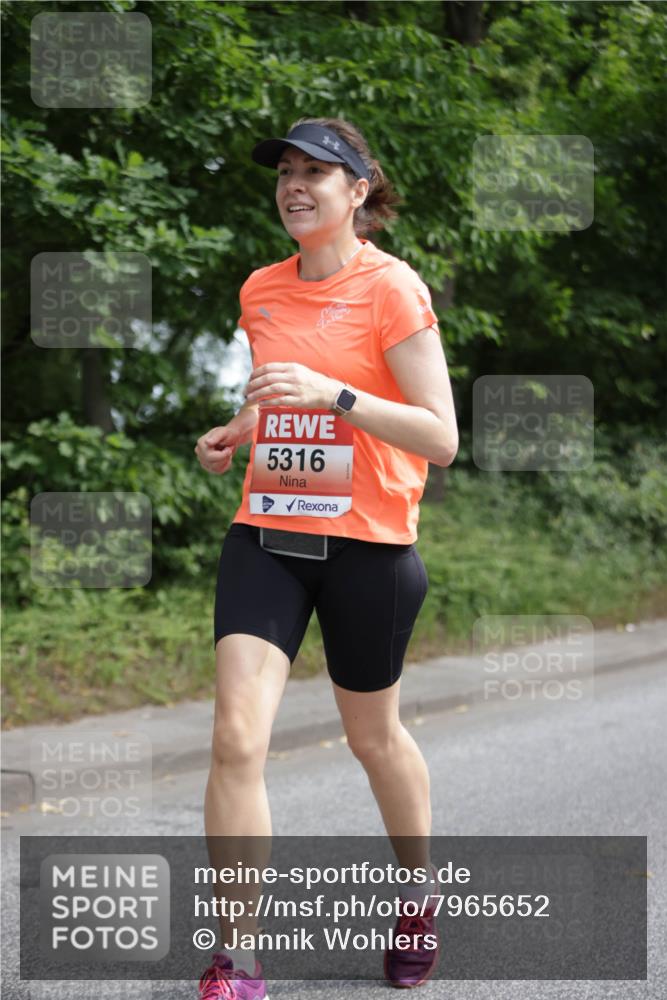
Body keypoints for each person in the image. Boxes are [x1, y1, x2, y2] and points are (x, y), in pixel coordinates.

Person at [194, 117, 458, 999]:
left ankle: (417, 895)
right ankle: (237, 959)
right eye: (286, 173)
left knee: (371, 738)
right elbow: (280, 394)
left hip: (368, 547)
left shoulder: (392, 289)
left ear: (359, 191)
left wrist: (335, 394)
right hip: (267, 534)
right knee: (236, 737)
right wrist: (238, 430)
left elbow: (440, 436)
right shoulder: (261, 289)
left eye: (318, 172)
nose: (295, 185)